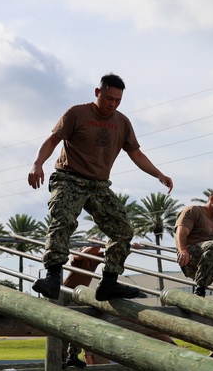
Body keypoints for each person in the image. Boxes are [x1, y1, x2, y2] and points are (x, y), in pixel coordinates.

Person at [28, 73, 173, 302]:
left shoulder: (122, 122)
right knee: (63, 219)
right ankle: (53, 276)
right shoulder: (77, 113)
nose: (112, 104)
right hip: (69, 178)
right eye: (108, 98)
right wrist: (37, 164)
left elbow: (135, 153)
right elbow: (52, 140)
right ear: (97, 93)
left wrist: (159, 174)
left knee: (122, 229)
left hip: (98, 185)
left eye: (117, 100)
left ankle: (109, 282)